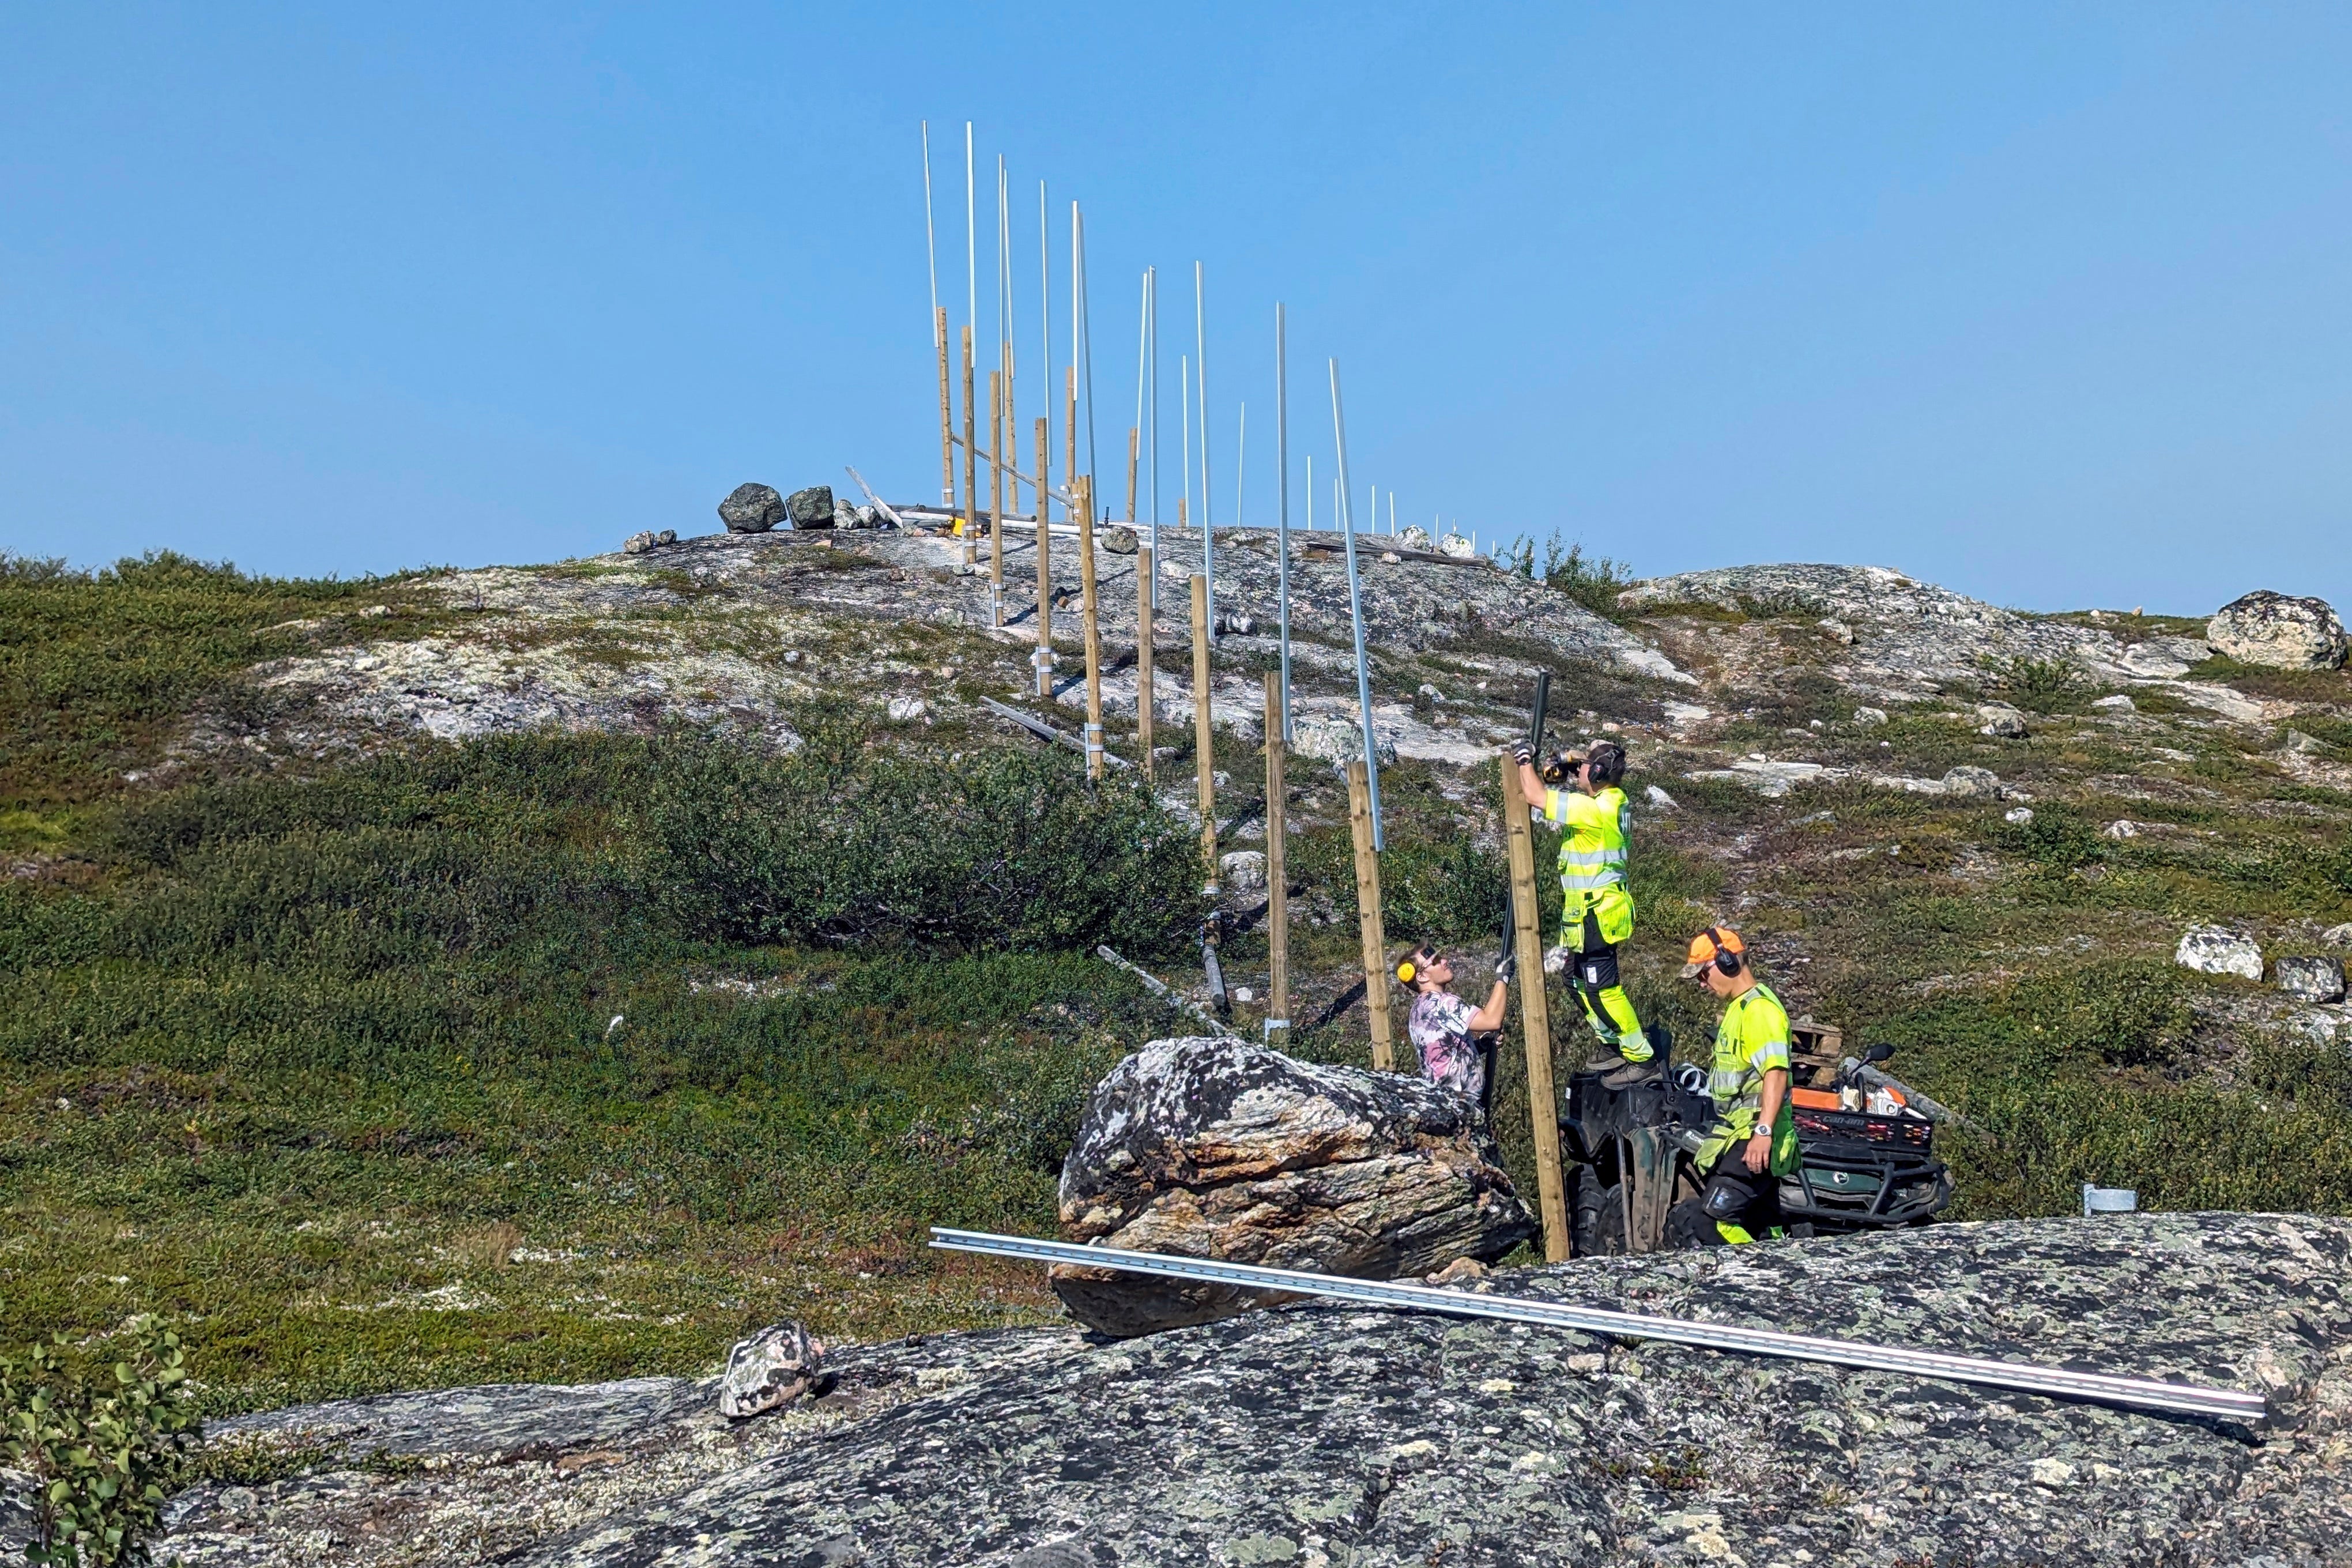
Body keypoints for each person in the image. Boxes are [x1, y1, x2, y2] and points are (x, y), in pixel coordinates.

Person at [1510, 738, 1653, 1073]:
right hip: (1589, 913)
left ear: (1600, 773)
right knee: (1574, 980)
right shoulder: (1614, 799)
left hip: (1596, 914)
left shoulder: (1594, 811)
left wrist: (1523, 761)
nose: (1579, 770)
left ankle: (1641, 1056)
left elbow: (1535, 796)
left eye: (1587, 766)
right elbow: (1595, 759)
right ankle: (1612, 1042)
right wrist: (1576, 761)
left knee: (1603, 988)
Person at [1667, 926, 1800, 1247]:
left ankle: (1761, 1274)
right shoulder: (1739, 1009)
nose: (1702, 983)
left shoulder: (1760, 1011)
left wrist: (1763, 1133)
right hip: (1741, 1133)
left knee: (1713, 1221)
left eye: (1704, 973)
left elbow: (1776, 1072)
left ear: (1727, 962)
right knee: (1762, 1224)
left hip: (1754, 1137)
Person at [1396, 942, 1512, 1109]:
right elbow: (1492, 1020)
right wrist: (1503, 978)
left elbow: (1443, 1056)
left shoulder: (1418, 1009)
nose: (1444, 961)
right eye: (1435, 961)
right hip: (1461, 1106)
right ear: (1422, 977)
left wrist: (1480, 1045)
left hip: (1442, 1105)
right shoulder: (1443, 1003)